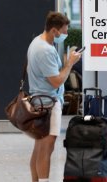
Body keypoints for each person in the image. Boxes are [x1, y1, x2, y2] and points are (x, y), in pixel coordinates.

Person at [27, 11, 81, 182]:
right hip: (48, 103)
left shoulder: (37, 42)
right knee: (46, 147)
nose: (65, 34)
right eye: (64, 31)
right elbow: (56, 81)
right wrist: (70, 63)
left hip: (40, 101)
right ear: (54, 31)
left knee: (39, 146)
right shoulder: (45, 50)